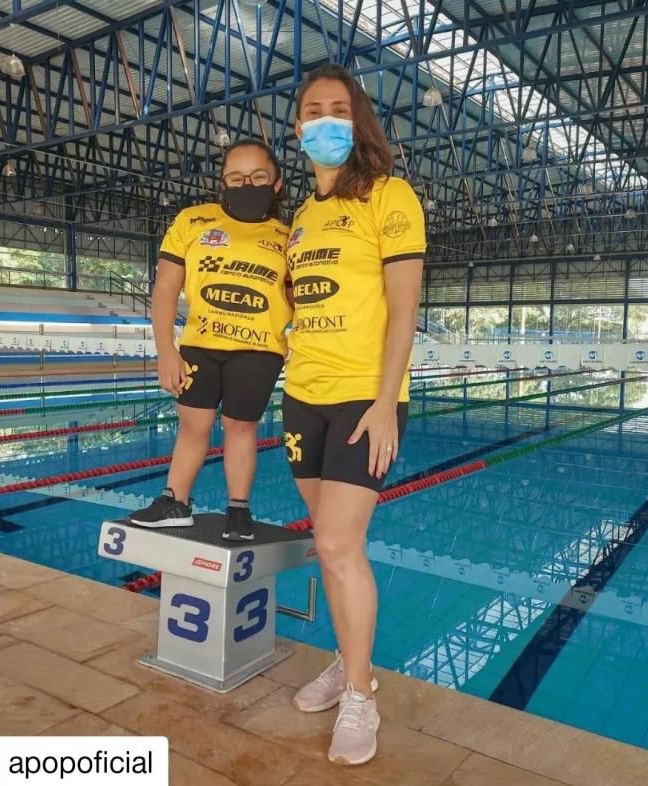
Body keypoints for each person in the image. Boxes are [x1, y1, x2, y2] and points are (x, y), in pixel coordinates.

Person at [283, 64, 426, 765]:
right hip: (301, 394)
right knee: (333, 546)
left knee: (338, 547)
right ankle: (346, 660)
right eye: (315, 109)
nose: (327, 118)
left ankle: (361, 693)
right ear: (298, 126)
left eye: (340, 107)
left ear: (359, 119)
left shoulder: (390, 196)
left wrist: (387, 402)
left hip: (361, 398)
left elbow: (404, 307)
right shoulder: (302, 217)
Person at [130, 139, 292, 541]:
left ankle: (238, 510)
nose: (246, 184)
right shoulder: (193, 220)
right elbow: (165, 288)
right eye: (235, 178)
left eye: (257, 177)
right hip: (201, 343)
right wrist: (166, 350)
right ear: (222, 183)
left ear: (276, 183)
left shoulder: (289, 236)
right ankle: (175, 502)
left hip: (259, 350)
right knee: (192, 426)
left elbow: (300, 299)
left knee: (240, 428)